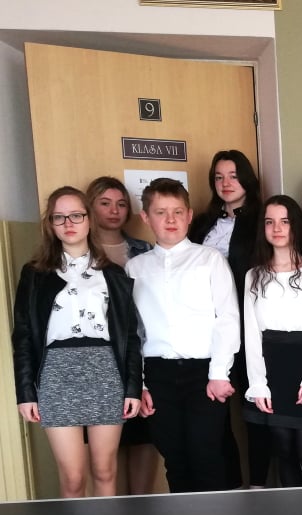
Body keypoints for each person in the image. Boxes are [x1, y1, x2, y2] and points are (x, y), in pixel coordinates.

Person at [13, 186, 142, 498]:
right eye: (59, 217)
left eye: (76, 215)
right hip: (56, 374)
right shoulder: (35, 273)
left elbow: (129, 335)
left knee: (105, 470)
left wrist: (132, 388)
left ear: (89, 220)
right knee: (72, 478)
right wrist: (25, 392)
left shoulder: (113, 274)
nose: (68, 223)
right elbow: (24, 335)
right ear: (51, 224)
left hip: (105, 371)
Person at [127, 178, 241, 493]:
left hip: (203, 372)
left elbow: (227, 318)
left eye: (178, 212)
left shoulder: (210, 260)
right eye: (161, 212)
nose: (171, 219)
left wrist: (219, 373)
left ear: (189, 215)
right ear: (145, 217)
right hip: (158, 374)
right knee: (174, 457)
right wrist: (141, 384)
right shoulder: (135, 268)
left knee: (207, 454)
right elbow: (133, 331)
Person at [243, 195, 302, 487]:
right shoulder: (254, 275)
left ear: (296, 226)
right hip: (271, 369)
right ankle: (293, 514)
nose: (277, 228)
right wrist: (258, 383)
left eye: (284, 221)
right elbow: (251, 334)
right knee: (283, 453)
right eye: (270, 222)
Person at [189, 149, 262, 488]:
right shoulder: (202, 224)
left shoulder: (261, 221)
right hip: (206, 331)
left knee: (254, 408)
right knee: (213, 412)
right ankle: (227, 486)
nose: (226, 183)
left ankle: (258, 485)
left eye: (233, 176)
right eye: (219, 177)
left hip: (248, 327)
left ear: (246, 179)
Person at [85, 176, 159, 494]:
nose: (114, 210)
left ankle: (140, 508)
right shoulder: (78, 253)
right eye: (105, 203)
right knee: (105, 449)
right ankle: (112, 513)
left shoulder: (143, 250)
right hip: (99, 359)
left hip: (140, 352)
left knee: (143, 435)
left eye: (121, 204)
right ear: (90, 207)